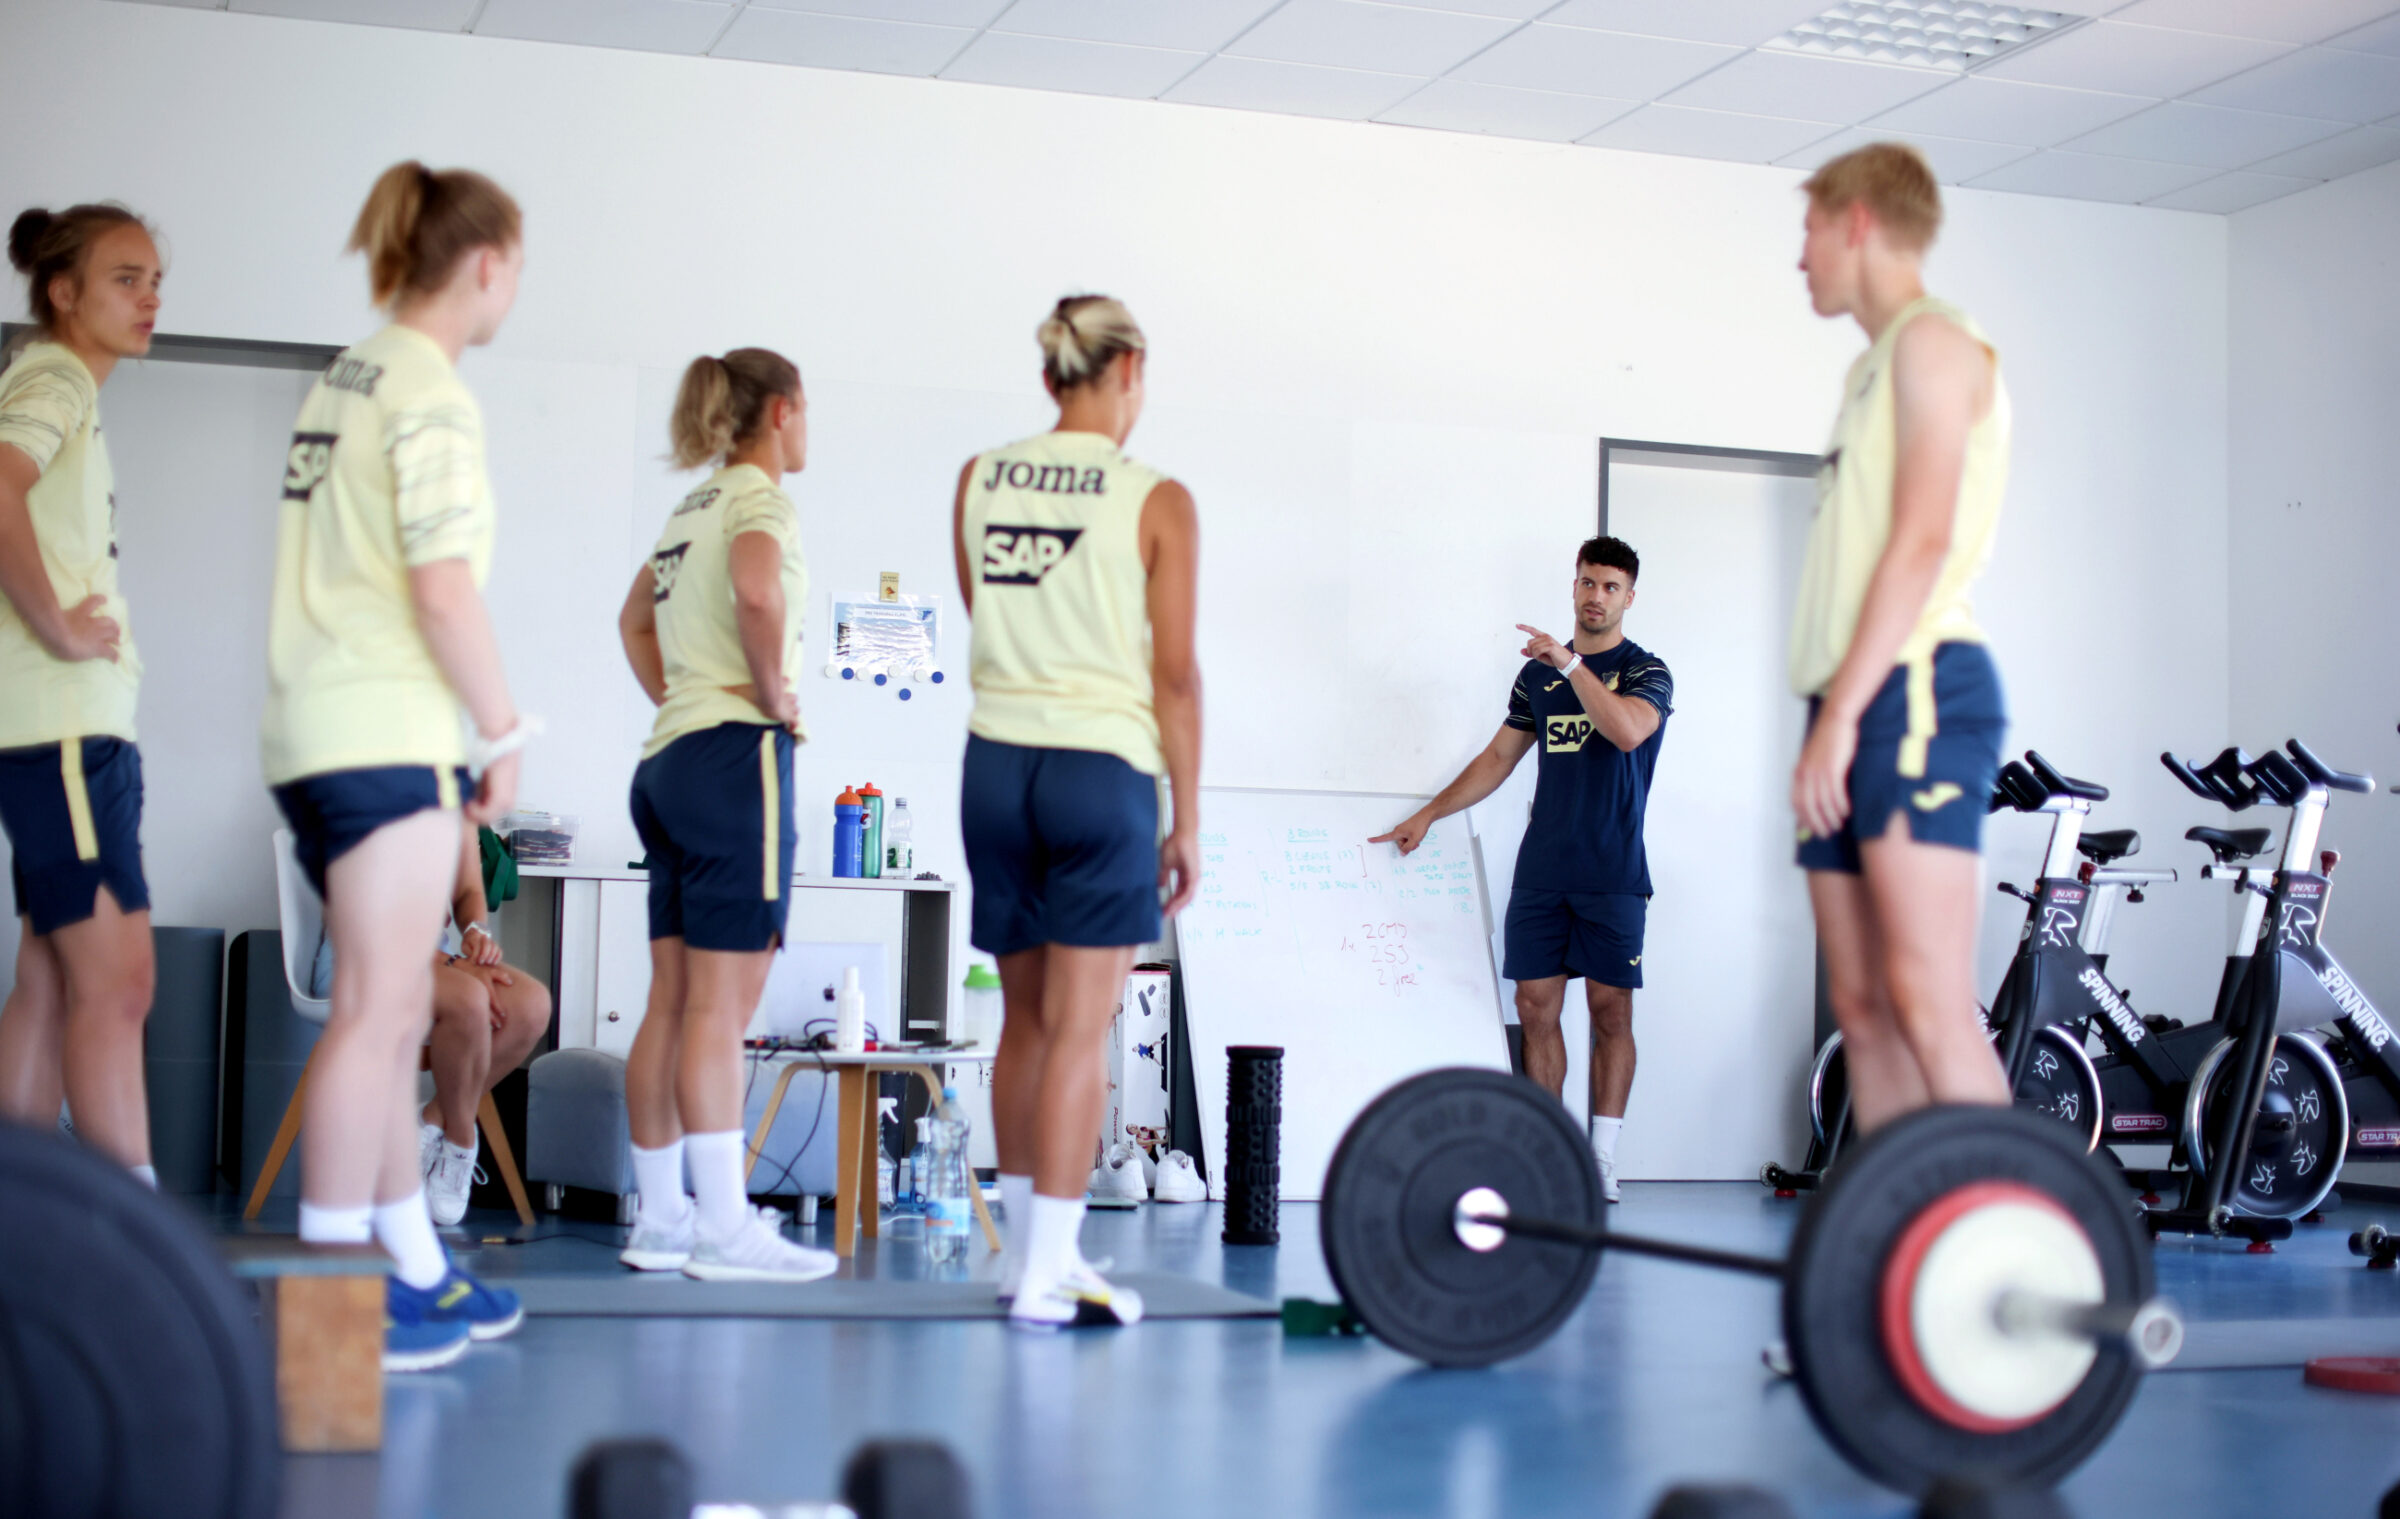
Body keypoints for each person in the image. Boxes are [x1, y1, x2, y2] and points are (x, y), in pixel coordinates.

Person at [263, 162, 530, 1372]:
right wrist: (504, 732)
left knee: (379, 1008)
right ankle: (331, 1311)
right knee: (376, 1018)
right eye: (515, 264)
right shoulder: (429, 391)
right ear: (483, 265)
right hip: (383, 732)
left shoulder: (346, 376)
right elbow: (441, 585)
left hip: (314, 729)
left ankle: (409, 1272)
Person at [953, 295, 1201, 1329]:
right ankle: (1051, 1270)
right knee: (1080, 1026)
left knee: (1022, 1020)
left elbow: (985, 609)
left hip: (995, 765)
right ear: (1129, 368)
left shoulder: (980, 477)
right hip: (1100, 771)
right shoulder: (1157, 497)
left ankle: (1022, 1260)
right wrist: (1186, 814)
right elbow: (1175, 675)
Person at [1787, 143, 2012, 1131]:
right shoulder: (1864, 372)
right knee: (1864, 1010)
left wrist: (1839, 720)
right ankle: (1906, 1254)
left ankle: (2009, 1245)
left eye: (1808, 231)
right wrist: (1829, 716)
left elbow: (1922, 541)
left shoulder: (1934, 343)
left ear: (1858, 223)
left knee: (1927, 1000)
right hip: (1843, 697)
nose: (1800, 258)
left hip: (1913, 687)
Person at [615, 347, 833, 1284]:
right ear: (781, 410)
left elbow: (632, 620)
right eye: (808, 410)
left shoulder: (686, 509)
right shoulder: (756, 500)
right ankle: (726, 1226)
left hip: (668, 760)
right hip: (734, 759)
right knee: (719, 1008)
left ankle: (662, 1219)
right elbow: (756, 586)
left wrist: (687, 695)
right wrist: (773, 695)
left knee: (671, 1001)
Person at [1372, 538, 1670, 1201]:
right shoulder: (1535, 679)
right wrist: (1430, 813)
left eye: (1610, 586)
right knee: (1536, 1008)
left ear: (1629, 597)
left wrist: (1569, 664)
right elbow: (1498, 759)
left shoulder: (1647, 671)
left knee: (1609, 1012)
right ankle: (1548, 1153)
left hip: (1614, 872)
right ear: (1574, 587)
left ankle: (1600, 1158)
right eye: (1587, 583)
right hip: (1542, 871)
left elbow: (1625, 731)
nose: (1596, 596)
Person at [0, 204, 162, 1184]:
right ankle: (134, 1250)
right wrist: (60, 628)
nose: (150, 298)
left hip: (60, 734)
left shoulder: (63, 388)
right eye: (125, 278)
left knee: (53, 982)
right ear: (65, 293)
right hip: (63, 734)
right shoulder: (53, 374)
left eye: (153, 280)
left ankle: (24, 1237)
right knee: (121, 984)